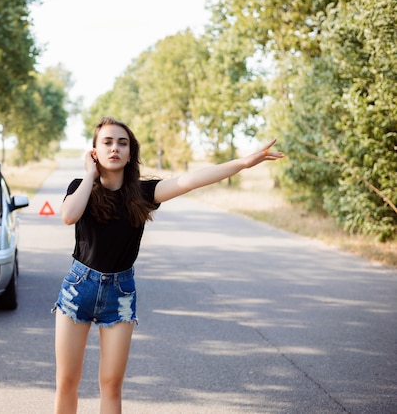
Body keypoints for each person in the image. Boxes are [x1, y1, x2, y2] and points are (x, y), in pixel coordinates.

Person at [52, 116, 285, 414]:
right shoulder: (80, 187)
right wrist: (89, 175)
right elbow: (69, 215)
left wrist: (242, 163)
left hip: (120, 293)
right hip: (78, 288)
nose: (115, 148)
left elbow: (191, 180)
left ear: (130, 152)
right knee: (67, 381)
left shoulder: (143, 193)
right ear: (94, 151)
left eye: (122, 143)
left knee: (111, 385)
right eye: (107, 142)